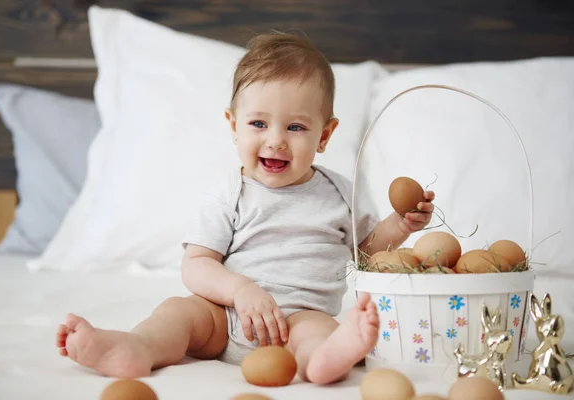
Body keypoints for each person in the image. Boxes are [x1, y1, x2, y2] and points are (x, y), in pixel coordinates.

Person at [55, 32, 435, 385]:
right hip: (223, 317)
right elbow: (196, 264)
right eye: (258, 123)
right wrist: (240, 291)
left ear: (325, 135)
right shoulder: (230, 191)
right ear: (233, 126)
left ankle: (321, 359)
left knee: (319, 332)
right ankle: (137, 347)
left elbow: (366, 251)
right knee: (177, 311)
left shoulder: (338, 192)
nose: (276, 141)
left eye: (296, 128)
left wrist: (400, 226)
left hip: (301, 316)